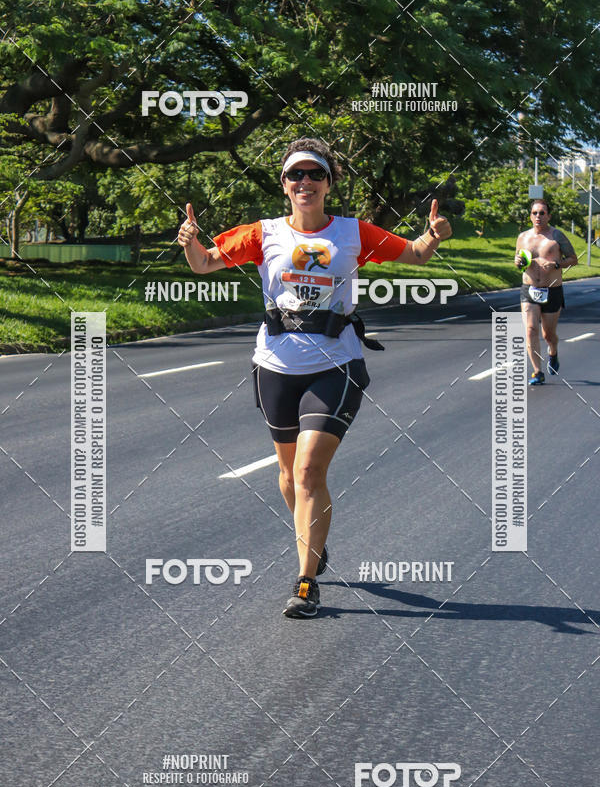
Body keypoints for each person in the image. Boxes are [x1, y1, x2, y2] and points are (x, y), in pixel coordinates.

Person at [178, 137, 452, 618]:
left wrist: (434, 235)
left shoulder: (352, 233)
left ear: (329, 183)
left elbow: (415, 255)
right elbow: (203, 264)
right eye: (295, 175)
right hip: (275, 367)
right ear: (284, 185)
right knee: (287, 475)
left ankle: (306, 582)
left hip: (336, 364)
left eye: (314, 174)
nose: (304, 182)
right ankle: (314, 541)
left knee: (307, 471)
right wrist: (190, 243)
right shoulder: (261, 233)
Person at [515, 199, 578, 385]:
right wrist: (518, 263)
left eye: (542, 213)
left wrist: (556, 264)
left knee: (547, 335)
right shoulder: (523, 237)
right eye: (535, 213)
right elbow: (517, 259)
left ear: (549, 216)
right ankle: (537, 372)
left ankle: (553, 351)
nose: (538, 216)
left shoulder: (556, 236)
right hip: (529, 288)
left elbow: (573, 259)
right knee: (530, 330)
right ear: (530, 216)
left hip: (552, 291)